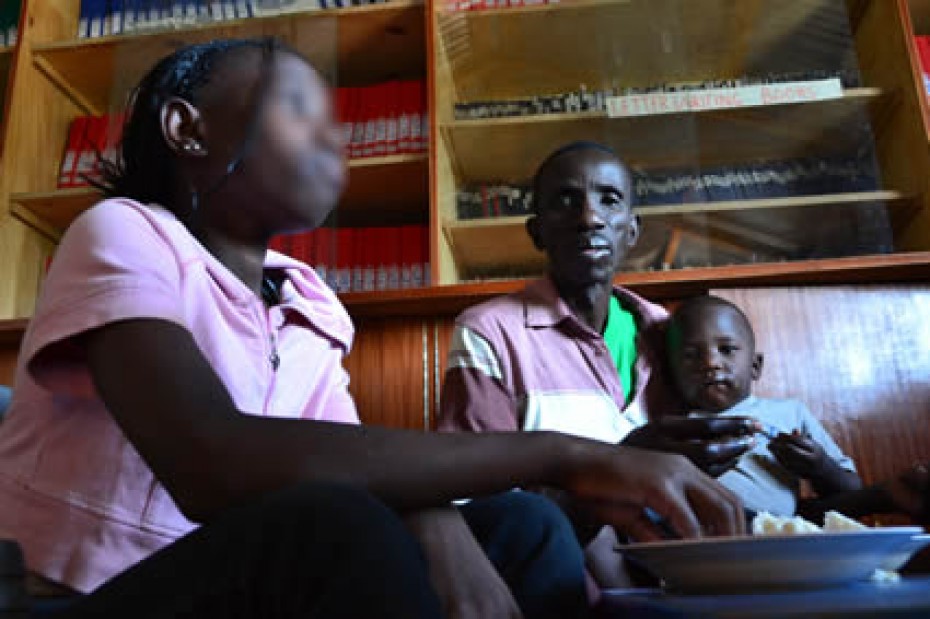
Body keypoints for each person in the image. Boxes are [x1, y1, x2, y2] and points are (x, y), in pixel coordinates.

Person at [0, 39, 745, 619]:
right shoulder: (124, 234)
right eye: (297, 105)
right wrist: (567, 456)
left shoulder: (310, 304)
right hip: (84, 593)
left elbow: (348, 454)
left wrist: (435, 520)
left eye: (335, 117)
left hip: (247, 577)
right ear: (186, 129)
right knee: (333, 525)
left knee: (524, 527)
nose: (334, 135)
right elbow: (211, 457)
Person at [438, 141, 758, 588]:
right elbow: (480, 509)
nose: (589, 218)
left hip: (679, 582)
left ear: (631, 229)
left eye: (609, 200)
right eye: (565, 201)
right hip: (557, 588)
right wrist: (617, 465)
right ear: (536, 232)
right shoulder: (489, 332)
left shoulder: (671, 335)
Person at [666, 295, 930, 527]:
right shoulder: (670, 428)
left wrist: (820, 467)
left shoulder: (790, 414)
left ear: (755, 366)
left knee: (817, 516)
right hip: (713, 536)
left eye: (726, 350)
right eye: (691, 355)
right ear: (672, 373)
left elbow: (850, 487)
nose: (711, 363)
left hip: (787, 531)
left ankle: (892, 493)